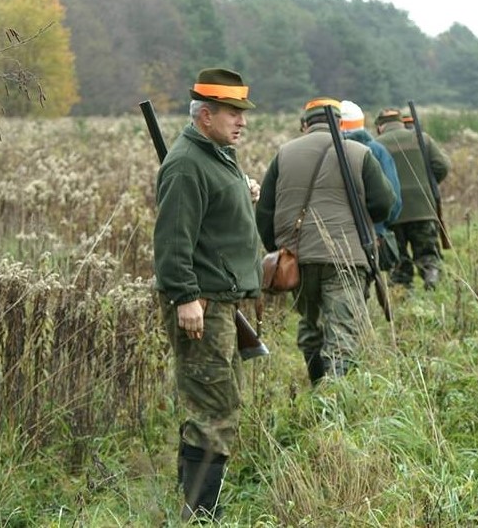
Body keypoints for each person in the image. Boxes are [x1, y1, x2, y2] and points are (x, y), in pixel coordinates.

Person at [153, 67, 262, 522]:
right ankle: (201, 515)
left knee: (215, 403)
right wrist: (184, 298)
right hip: (205, 304)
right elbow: (173, 240)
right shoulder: (186, 164)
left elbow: (210, 214)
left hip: (220, 301)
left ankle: (196, 504)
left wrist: (243, 189)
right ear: (205, 116)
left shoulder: (216, 155)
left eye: (241, 112)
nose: (241, 121)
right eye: (232, 113)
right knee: (215, 409)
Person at [256, 97, 397, 384]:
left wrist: (279, 250)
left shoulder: (283, 154)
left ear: (304, 124)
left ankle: (317, 383)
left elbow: (265, 211)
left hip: (299, 257)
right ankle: (331, 405)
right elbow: (385, 205)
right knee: (342, 331)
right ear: (340, 122)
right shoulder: (359, 153)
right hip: (347, 258)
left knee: (311, 325)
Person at [374, 107, 450, 290]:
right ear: (401, 121)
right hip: (423, 206)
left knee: (399, 258)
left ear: (379, 127)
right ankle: (431, 278)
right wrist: (426, 184)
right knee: (427, 254)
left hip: (393, 211)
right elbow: (442, 166)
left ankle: (404, 292)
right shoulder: (422, 138)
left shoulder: (375, 145)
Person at [339, 100, 402, 273]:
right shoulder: (377, 151)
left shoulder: (325, 151)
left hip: (332, 236)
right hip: (372, 232)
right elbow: (392, 199)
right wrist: (382, 226)